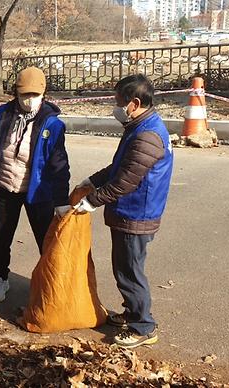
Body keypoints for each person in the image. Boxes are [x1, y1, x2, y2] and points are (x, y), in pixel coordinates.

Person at [74, 74, 174, 349]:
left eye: (119, 102)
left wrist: (92, 201)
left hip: (136, 214)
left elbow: (125, 181)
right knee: (124, 267)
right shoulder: (139, 126)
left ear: (135, 103)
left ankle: (144, 326)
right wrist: (93, 180)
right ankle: (131, 312)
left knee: (129, 271)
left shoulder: (147, 136)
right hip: (131, 212)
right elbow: (120, 167)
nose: (116, 108)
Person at [0, 67, 70, 303]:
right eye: (24, 95)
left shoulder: (52, 125)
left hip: (38, 193)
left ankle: (50, 281)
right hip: (6, 187)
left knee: (46, 240)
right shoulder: (2, 114)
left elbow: (59, 165)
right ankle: (0, 277)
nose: (29, 100)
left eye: (34, 95)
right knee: (1, 237)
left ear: (43, 94)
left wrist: (61, 200)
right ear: (16, 93)